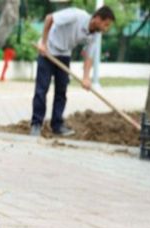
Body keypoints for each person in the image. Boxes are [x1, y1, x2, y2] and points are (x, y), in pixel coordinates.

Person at [30, 6, 115, 137]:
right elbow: (49, 18)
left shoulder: (94, 35)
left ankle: (57, 125)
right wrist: (43, 43)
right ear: (98, 18)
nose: (106, 28)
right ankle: (36, 124)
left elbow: (88, 56)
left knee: (61, 92)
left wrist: (86, 78)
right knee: (42, 90)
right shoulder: (76, 15)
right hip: (48, 50)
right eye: (106, 24)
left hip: (64, 54)